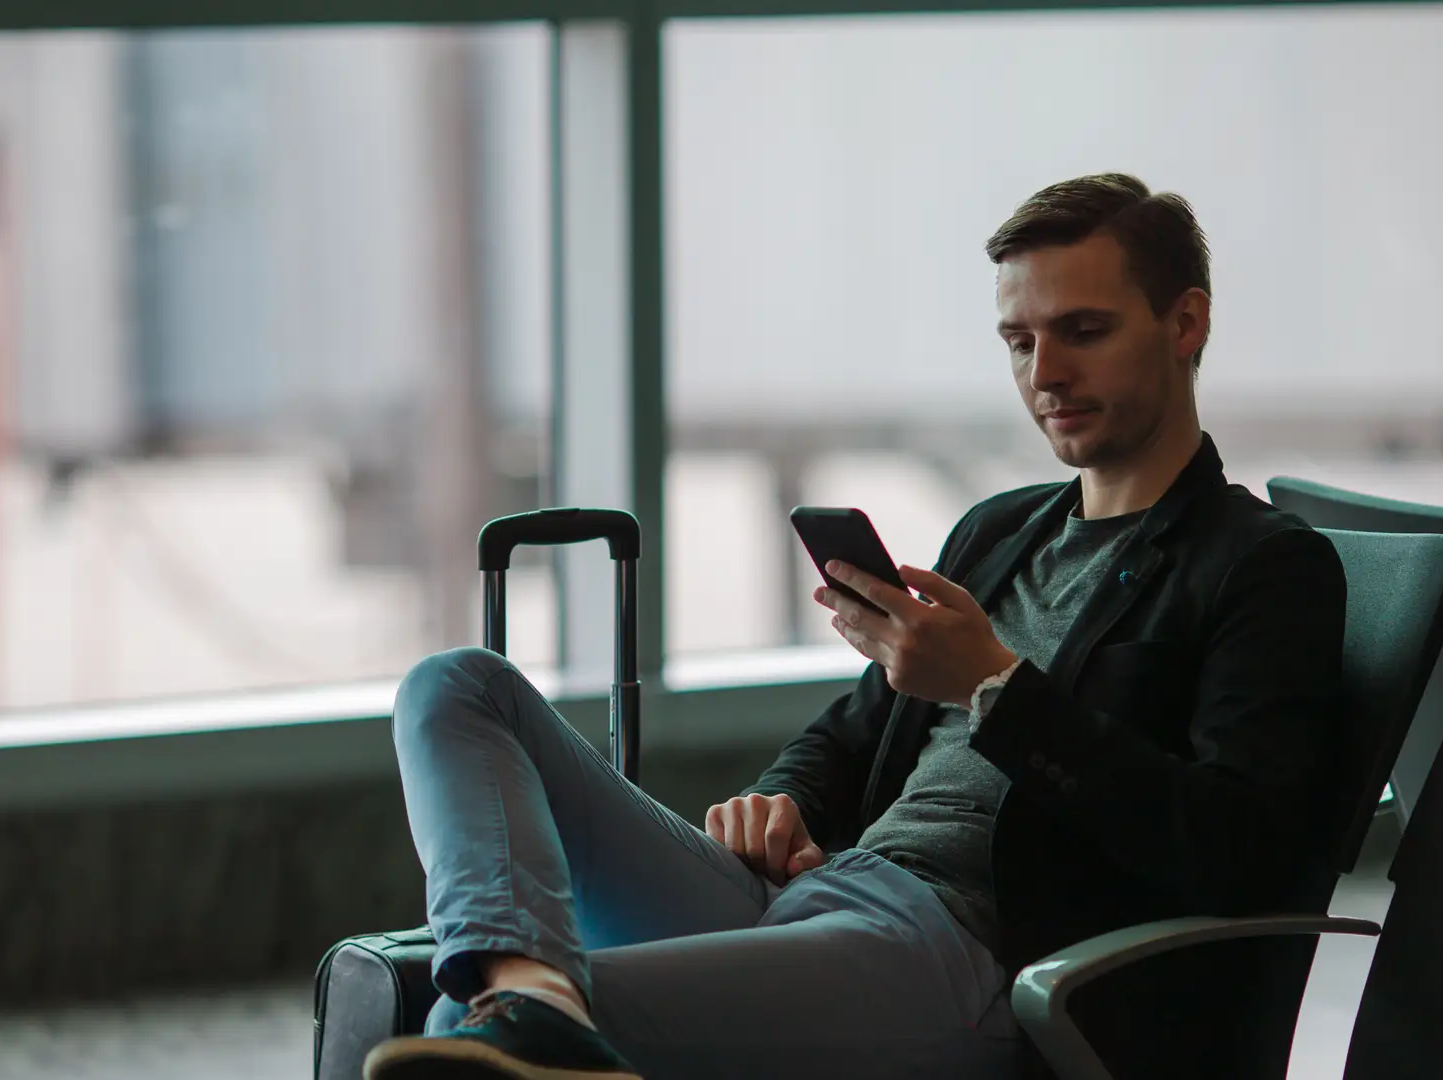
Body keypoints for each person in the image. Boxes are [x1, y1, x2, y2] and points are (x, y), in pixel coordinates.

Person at [362, 173, 1346, 1080]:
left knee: (479, 1037)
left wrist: (994, 690)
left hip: (966, 956)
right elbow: (852, 733)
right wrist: (780, 800)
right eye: (1019, 341)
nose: (1045, 371)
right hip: (824, 891)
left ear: (1185, 323)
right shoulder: (1000, 531)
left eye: (1083, 330)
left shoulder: (1262, 565)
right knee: (456, 685)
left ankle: (524, 1003)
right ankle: (526, 985)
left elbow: (1235, 850)